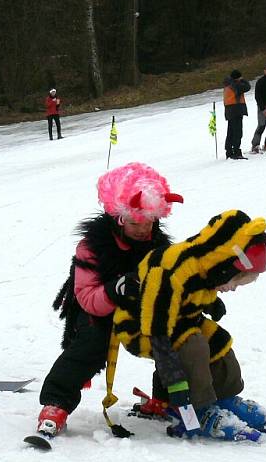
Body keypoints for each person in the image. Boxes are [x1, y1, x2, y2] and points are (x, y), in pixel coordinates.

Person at [113, 209, 266, 441]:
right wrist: (176, 387)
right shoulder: (170, 271)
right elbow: (157, 328)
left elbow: (193, 290)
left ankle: (225, 398)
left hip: (180, 319)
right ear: (224, 265)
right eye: (235, 280)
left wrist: (211, 304)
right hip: (141, 326)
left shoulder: (206, 267)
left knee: (218, 340)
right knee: (193, 344)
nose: (233, 287)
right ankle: (200, 409)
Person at [34, 162, 182, 438]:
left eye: (148, 223)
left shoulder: (161, 249)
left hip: (141, 311)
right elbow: (88, 297)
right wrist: (116, 289)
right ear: (118, 217)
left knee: (177, 331)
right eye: (134, 222)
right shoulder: (92, 246)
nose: (141, 229)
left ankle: (167, 398)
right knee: (91, 343)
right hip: (98, 310)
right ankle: (56, 403)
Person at [222, 69, 251, 160]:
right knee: (237, 132)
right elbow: (247, 87)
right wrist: (242, 80)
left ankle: (229, 151)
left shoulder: (228, 84)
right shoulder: (236, 85)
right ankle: (236, 152)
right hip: (236, 110)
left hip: (229, 110)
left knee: (230, 132)